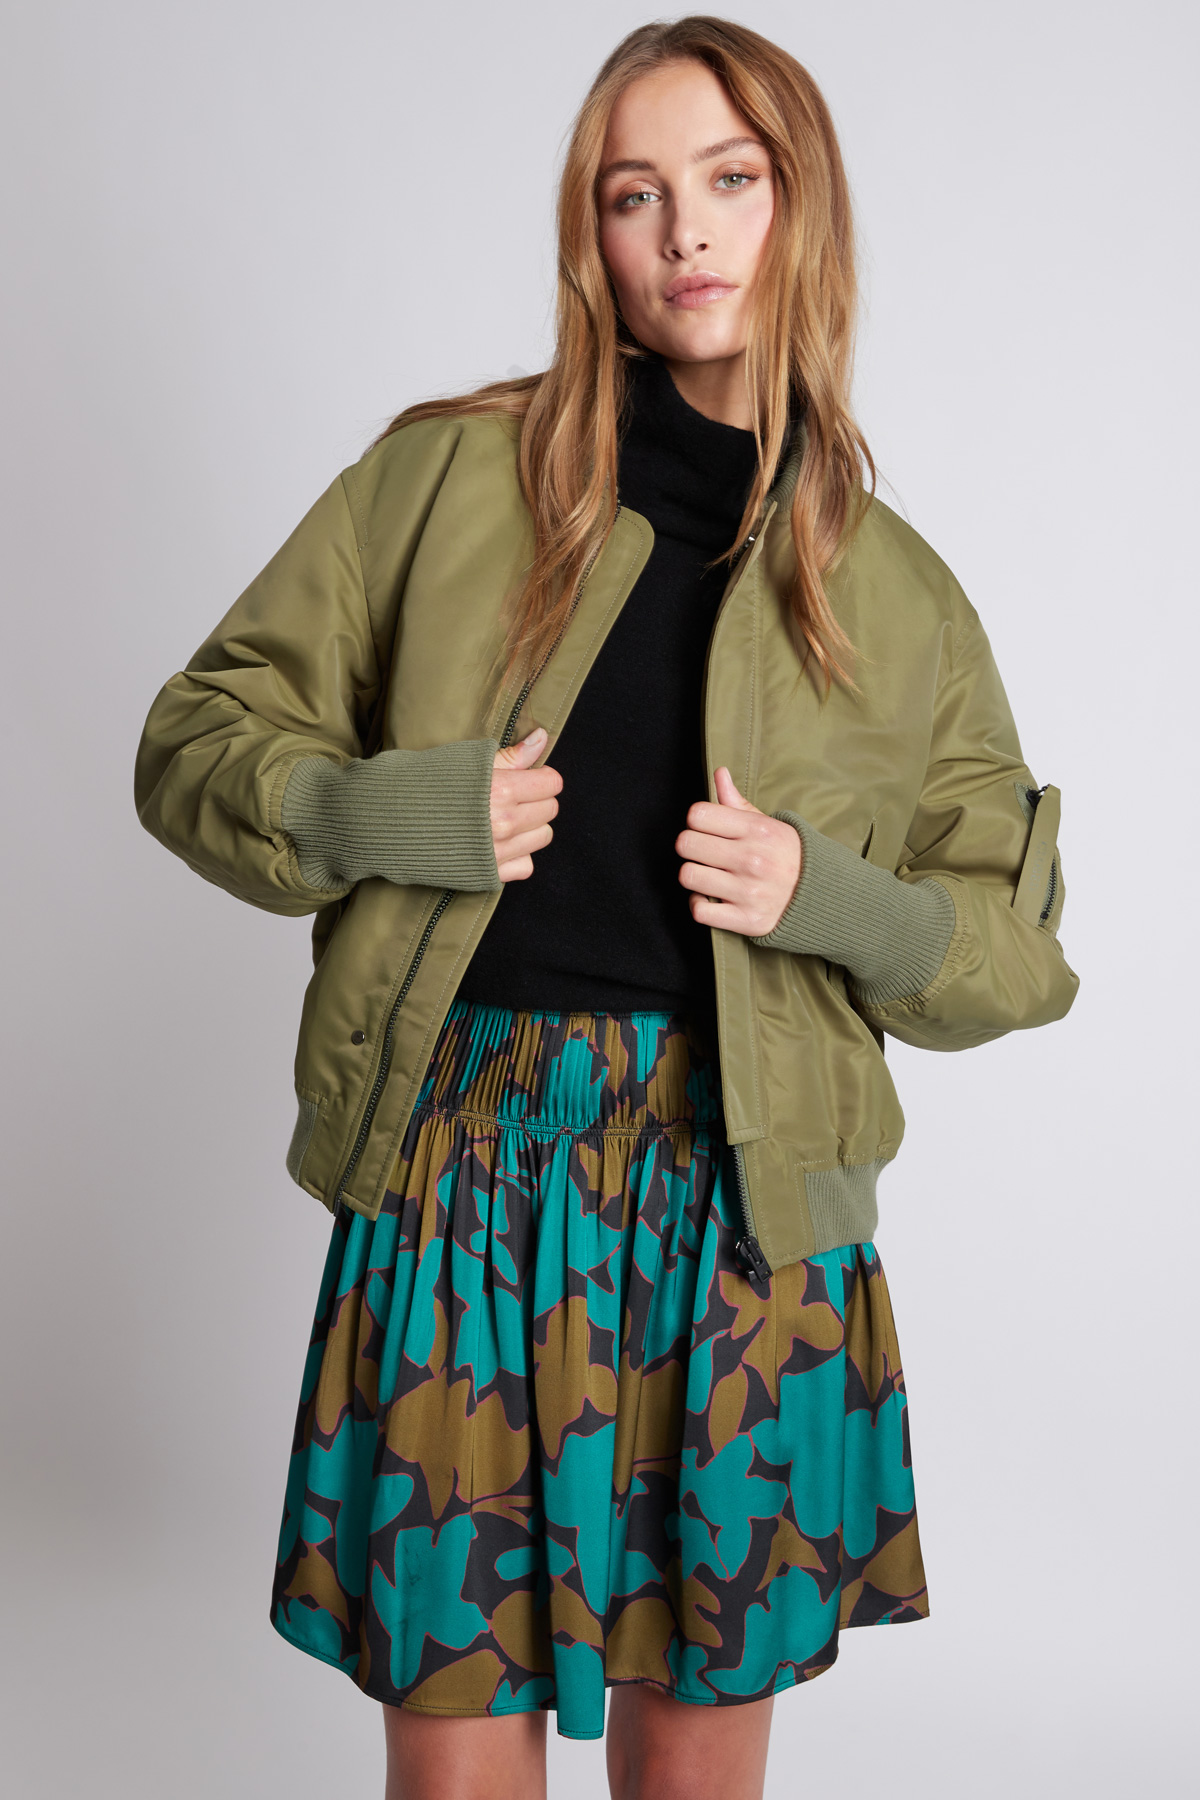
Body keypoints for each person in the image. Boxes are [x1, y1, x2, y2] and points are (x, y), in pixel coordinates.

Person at [134, 17, 1078, 1800]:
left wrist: (829, 898)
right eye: (635, 194)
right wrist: (395, 810)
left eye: (731, 179)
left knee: (698, 1773)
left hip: (747, 1209)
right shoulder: (443, 480)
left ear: (802, 209)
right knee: (454, 1767)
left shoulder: (897, 593)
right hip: (460, 1179)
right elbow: (194, 743)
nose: (687, 230)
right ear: (595, 234)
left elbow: (1018, 956)